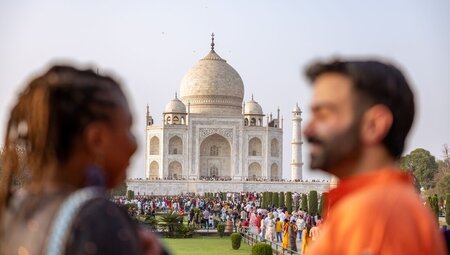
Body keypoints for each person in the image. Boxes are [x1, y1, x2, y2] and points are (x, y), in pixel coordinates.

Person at [0, 65, 167, 255]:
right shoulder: (96, 218)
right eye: (128, 128)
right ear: (97, 140)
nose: (135, 144)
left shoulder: (11, 208)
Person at [303, 59, 447, 254]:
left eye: (324, 115)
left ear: (374, 125)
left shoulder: (379, 217)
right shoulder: (367, 208)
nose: (308, 129)